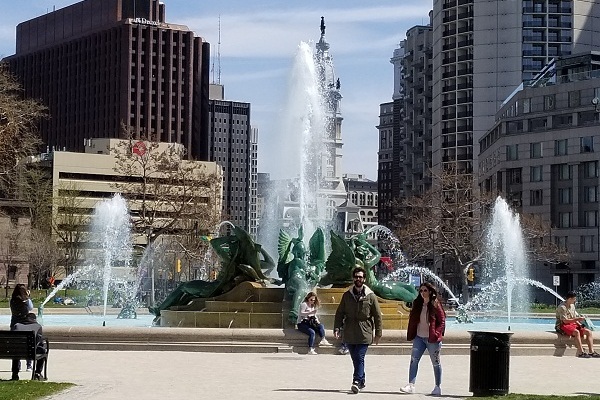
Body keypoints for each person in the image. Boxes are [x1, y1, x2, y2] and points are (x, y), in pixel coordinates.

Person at [334, 266, 382, 394]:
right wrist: (337, 328)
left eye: (360, 277)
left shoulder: (370, 296)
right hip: (349, 331)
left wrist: (378, 333)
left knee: (359, 357)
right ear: (353, 279)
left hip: (364, 331)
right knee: (355, 358)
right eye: (356, 277)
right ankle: (362, 380)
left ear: (364, 279)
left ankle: (356, 381)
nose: (358, 279)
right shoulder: (347, 295)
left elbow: (377, 315)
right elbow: (340, 313)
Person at [400, 282, 446, 396]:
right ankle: (411, 385)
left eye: (425, 290)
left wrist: (436, 334)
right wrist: (411, 333)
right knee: (413, 360)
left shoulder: (435, 304)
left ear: (430, 291)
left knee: (436, 363)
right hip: (419, 338)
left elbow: (442, 321)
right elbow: (413, 319)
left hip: (432, 339)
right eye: (421, 291)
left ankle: (437, 387)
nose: (422, 293)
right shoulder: (418, 303)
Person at [555, 291, 600, 358]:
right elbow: (565, 321)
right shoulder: (562, 307)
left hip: (572, 323)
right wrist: (577, 319)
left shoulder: (572, 306)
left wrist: (580, 325)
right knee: (576, 332)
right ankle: (581, 352)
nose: (575, 300)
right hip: (562, 325)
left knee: (588, 332)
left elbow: (574, 317)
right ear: (569, 299)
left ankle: (591, 352)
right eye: (574, 299)